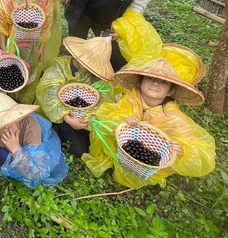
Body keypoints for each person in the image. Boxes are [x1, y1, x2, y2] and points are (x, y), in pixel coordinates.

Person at [82, 58, 216, 189]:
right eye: (150, 78)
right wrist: (124, 119)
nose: (155, 84)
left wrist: (183, 149)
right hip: (125, 144)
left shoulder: (173, 116)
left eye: (163, 82)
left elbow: (202, 153)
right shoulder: (131, 97)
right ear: (140, 82)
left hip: (150, 154)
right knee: (103, 126)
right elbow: (111, 115)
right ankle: (117, 160)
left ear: (170, 91)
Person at [0, 0, 60, 104]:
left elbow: (46, 27)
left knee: (29, 75)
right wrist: (4, 49)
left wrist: (42, 47)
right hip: (13, 45)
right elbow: (1, 25)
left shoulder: (45, 0)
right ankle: (9, 103)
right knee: (10, 73)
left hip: (33, 46)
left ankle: (24, 105)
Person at [36, 36, 116, 158]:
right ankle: (59, 128)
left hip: (84, 115)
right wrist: (67, 118)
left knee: (96, 141)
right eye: (86, 62)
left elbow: (105, 95)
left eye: (93, 65)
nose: (89, 67)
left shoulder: (94, 73)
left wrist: (89, 117)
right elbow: (49, 94)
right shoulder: (60, 68)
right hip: (62, 114)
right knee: (80, 151)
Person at [0, 91, 69, 189]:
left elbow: (39, 172)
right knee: (0, 154)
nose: (6, 131)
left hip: (38, 159)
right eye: (1, 127)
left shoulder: (31, 129)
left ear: (19, 119)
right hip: (17, 154)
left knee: (34, 169)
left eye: (8, 125)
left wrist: (16, 150)